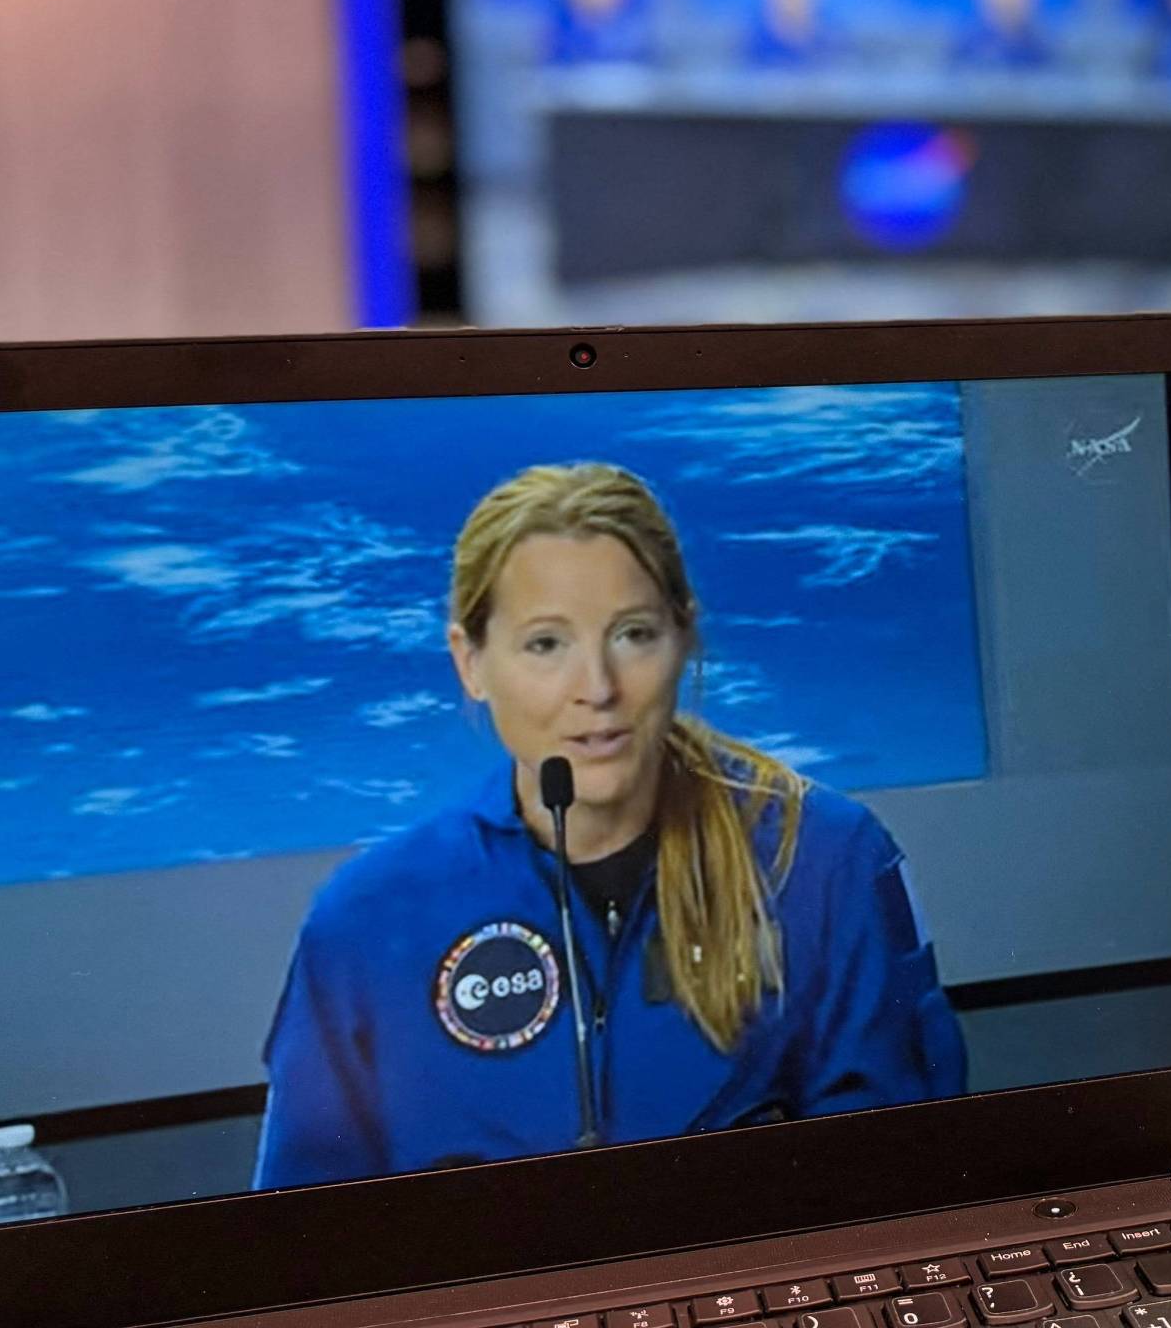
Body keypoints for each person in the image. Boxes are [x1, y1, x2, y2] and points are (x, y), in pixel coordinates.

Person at [253, 463, 965, 1188]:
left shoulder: (825, 861)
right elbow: (303, 1240)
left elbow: (913, 1178)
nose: (596, 689)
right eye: (545, 644)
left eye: (632, 634)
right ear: (471, 662)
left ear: (683, 637)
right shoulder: (366, 922)